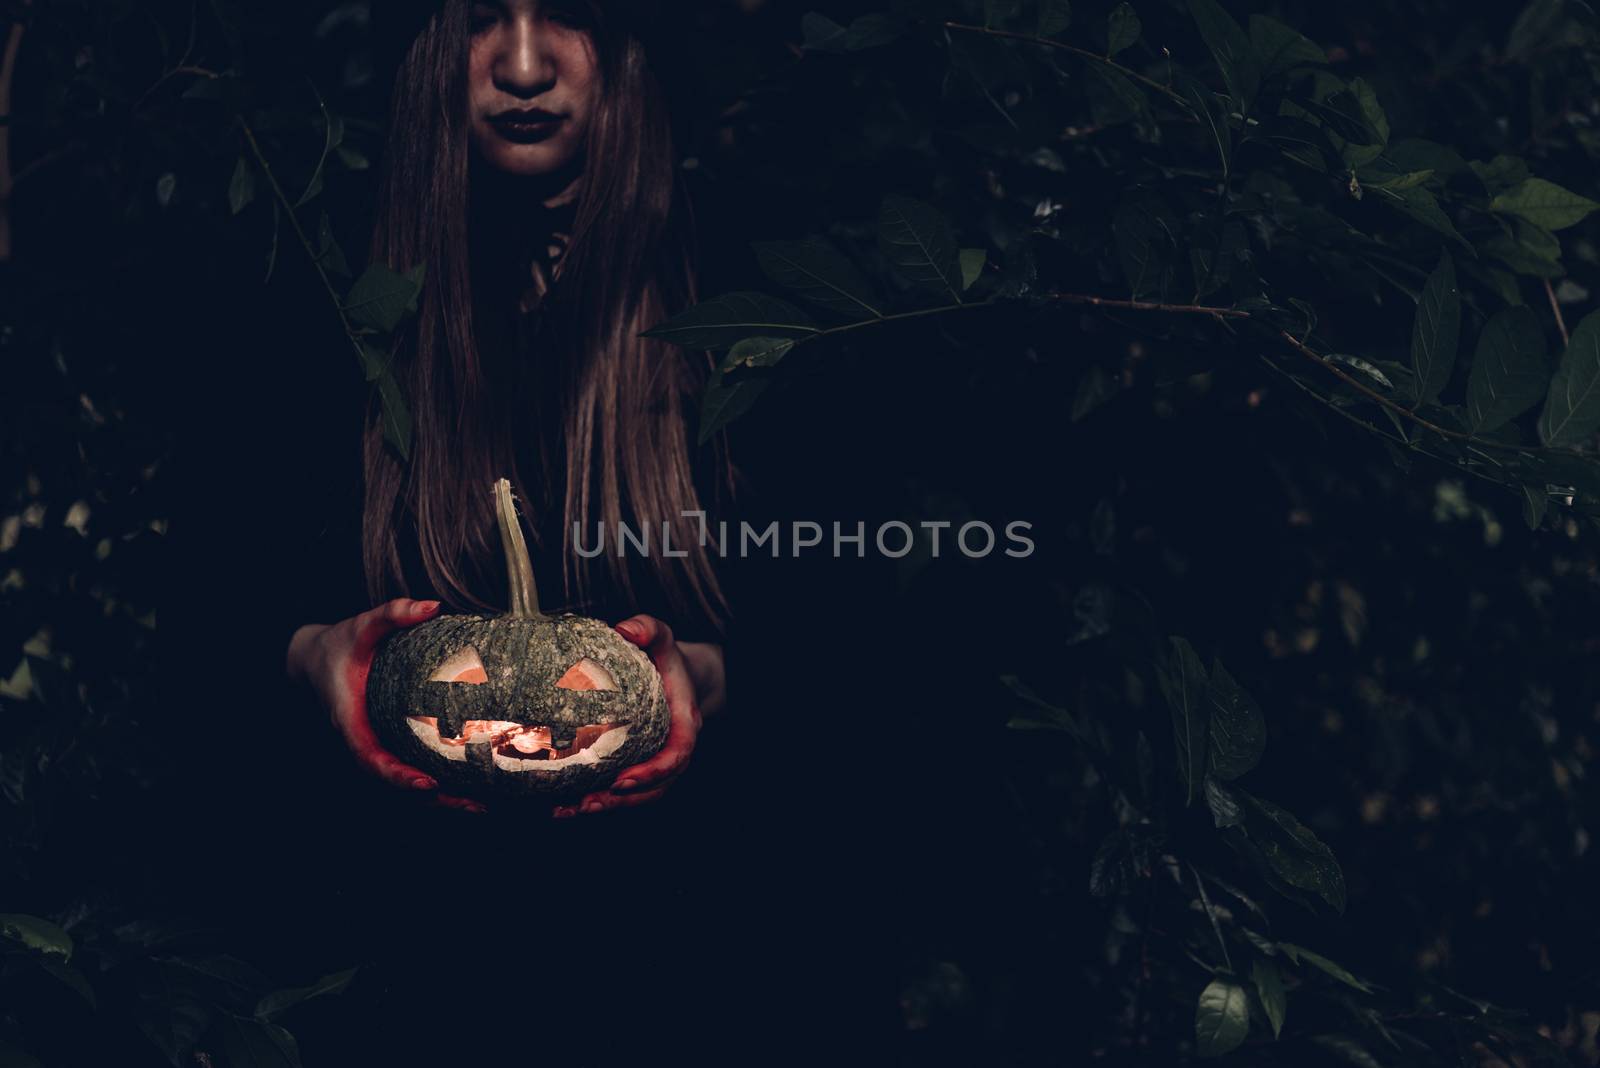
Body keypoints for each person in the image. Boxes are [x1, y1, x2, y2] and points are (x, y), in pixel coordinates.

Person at [283, 0, 730, 820]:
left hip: (685, 897)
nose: (524, 67)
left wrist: (702, 673)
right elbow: (210, 616)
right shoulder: (319, 291)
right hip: (381, 895)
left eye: (570, 11)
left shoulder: (737, 298)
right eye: (481, 16)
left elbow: (833, 645)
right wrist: (311, 654)